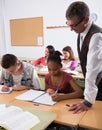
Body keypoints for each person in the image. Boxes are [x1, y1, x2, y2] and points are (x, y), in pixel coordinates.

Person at [65, 1, 102, 113]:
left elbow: (93, 70)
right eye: (68, 24)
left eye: (73, 25)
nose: (70, 29)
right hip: (92, 86)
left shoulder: (96, 36)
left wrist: (88, 101)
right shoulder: (81, 31)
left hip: (99, 84)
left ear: (86, 20)